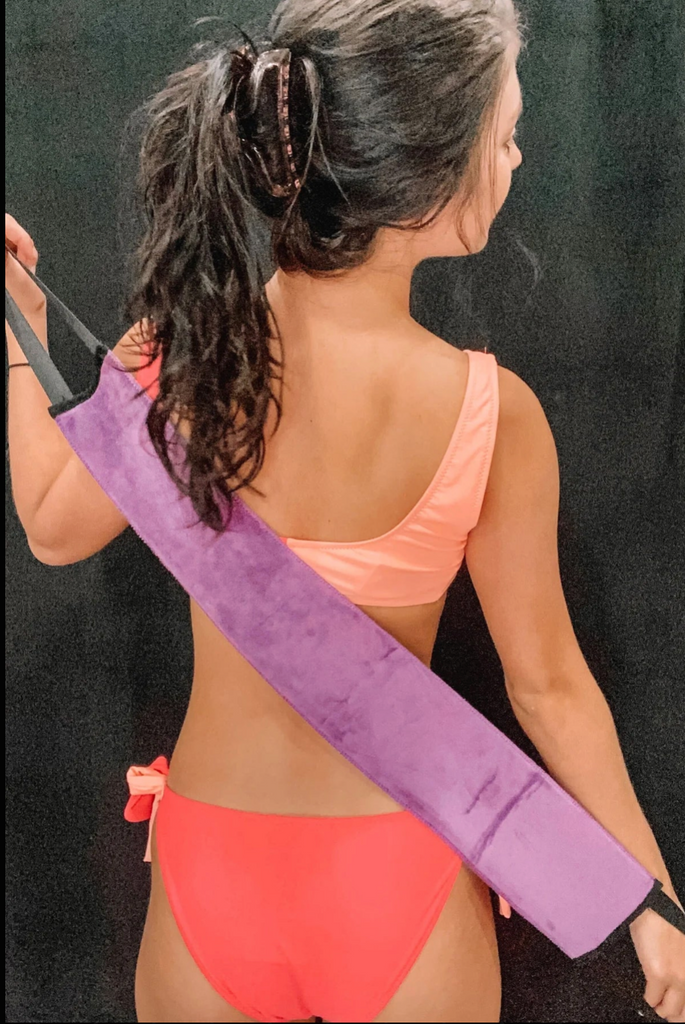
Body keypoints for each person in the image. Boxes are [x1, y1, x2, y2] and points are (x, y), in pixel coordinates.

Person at [5, 1, 685, 1022]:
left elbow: (53, 528)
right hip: (398, 877)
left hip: (212, 872)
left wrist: (17, 328)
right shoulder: (492, 413)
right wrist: (650, 898)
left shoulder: (185, 356)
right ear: (428, 171)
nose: (514, 158)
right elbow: (549, 688)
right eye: (503, 135)